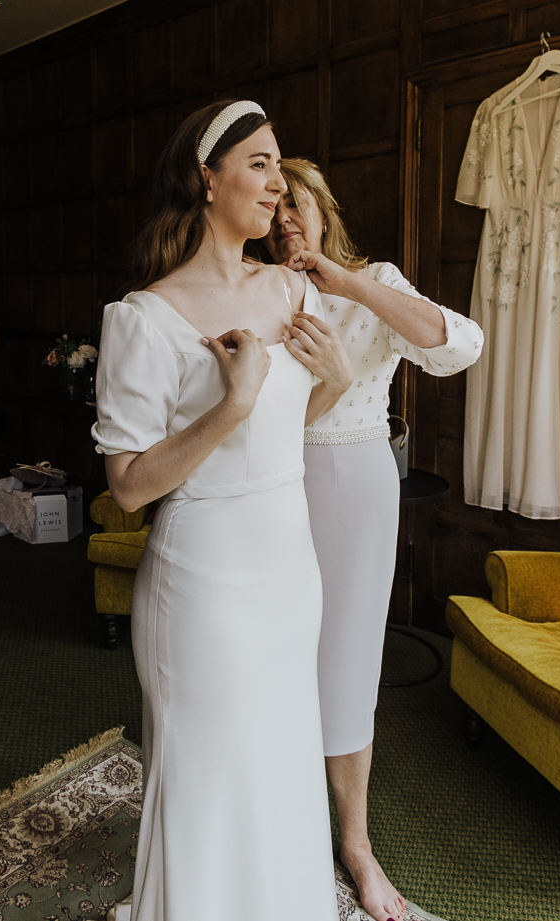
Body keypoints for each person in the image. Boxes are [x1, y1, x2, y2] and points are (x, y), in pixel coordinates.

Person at [93, 103, 351, 921]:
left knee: (280, 759)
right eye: (259, 164)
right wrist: (229, 406)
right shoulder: (143, 318)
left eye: (279, 166)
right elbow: (129, 486)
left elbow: (280, 432)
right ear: (207, 178)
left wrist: (335, 382)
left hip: (289, 568)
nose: (279, 185)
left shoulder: (290, 288)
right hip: (202, 580)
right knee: (212, 775)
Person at [261, 159, 484, 921]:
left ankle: (356, 844)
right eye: (273, 212)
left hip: (356, 484)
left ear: (323, 209)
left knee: (349, 663)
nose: (285, 222)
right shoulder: (262, 290)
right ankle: (276, 819)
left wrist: (347, 283)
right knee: (273, 654)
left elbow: (459, 346)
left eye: (296, 206)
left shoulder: (376, 281)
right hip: (273, 485)